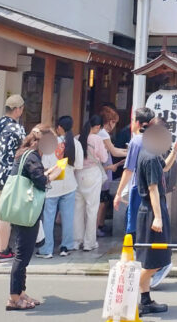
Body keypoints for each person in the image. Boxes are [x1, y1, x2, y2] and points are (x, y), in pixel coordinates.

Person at [5, 124, 63, 311]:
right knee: (22, 255)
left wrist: (46, 171)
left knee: (25, 253)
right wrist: (52, 175)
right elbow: (39, 181)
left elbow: (33, 176)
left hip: (23, 208)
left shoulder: (25, 154)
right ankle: (14, 298)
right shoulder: (31, 156)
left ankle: (21, 293)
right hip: (25, 210)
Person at [134, 119, 177, 316]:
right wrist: (158, 217)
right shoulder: (149, 155)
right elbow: (153, 188)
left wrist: (174, 152)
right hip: (151, 210)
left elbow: (163, 168)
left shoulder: (151, 154)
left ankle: (145, 300)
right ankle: (127, 292)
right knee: (156, 261)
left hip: (151, 209)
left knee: (151, 259)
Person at [0, 94, 27, 262]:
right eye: (21, 109)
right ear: (17, 110)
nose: (22, 112)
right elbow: (22, 150)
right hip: (6, 175)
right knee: (5, 215)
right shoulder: (17, 128)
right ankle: (3, 250)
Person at [36, 116, 82, 258]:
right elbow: (79, 165)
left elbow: (45, 165)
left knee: (48, 218)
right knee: (68, 217)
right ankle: (65, 247)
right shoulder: (75, 143)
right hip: (69, 184)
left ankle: (47, 249)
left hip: (52, 185)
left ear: (60, 128)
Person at [113, 107, 155, 239]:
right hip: (155, 188)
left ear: (138, 123)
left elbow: (129, 170)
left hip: (138, 187)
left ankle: (134, 256)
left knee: (134, 228)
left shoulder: (136, 141)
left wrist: (118, 193)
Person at [75, 114, 109, 252]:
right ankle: (89, 242)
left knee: (77, 209)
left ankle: (76, 241)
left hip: (78, 174)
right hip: (92, 174)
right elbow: (104, 158)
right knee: (92, 209)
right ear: (97, 127)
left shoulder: (77, 138)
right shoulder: (97, 139)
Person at [96, 105, 125, 238]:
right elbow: (114, 151)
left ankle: (100, 225)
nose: (114, 125)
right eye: (113, 122)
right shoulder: (103, 133)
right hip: (102, 168)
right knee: (101, 201)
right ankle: (97, 227)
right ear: (108, 121)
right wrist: (131, 151)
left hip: (104, 167)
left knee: (104, 199)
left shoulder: (101, 132)